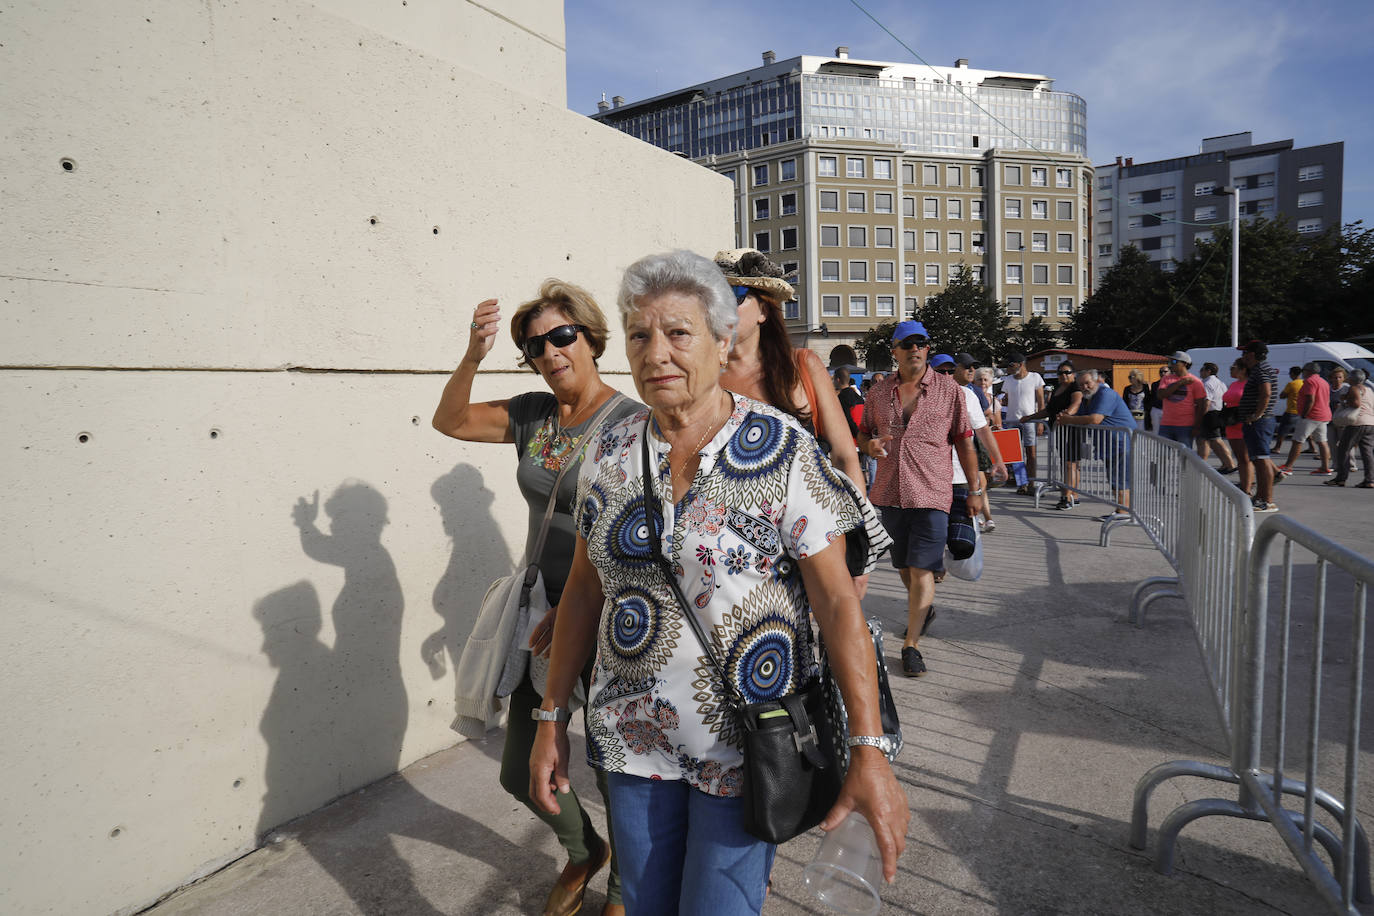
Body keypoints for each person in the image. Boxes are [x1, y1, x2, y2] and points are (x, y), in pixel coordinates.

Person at [527, 250, 909, 915]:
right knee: (644, 906)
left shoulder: (782, 449)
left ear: (722, 341)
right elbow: (585, 591)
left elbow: (839, 606)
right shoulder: (610, 454)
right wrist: (551, 719)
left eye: (678, 333)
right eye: (641, 335)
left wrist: (869, 752)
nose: (657, 353)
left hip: (745, 744)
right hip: (630, 737)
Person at [432, 281, 641, 916]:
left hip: (607, 617)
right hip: (539, 616)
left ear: (590, 337)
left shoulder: (633, 423)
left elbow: (644, 535)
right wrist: (472, 353)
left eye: (561, 336)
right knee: (522, 769)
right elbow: (451, 420)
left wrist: (587, 602)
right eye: (533, 346)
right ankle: (585, 851)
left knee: (614, 769)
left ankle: (625, 890)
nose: (548, 352)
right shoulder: (532, 415)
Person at [858, 322, 981, 677]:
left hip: (933, 492)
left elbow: (963, 441)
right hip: (889, 491)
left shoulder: (950, 391)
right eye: (907, 344)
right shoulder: (878, 393)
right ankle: (922, 609)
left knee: (923, 567)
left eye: (921, 343)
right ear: (894, 350)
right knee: (904, 567)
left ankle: (911, 645)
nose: (915, 349)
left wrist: (974, 490)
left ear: (928, 348)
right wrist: (869, 445)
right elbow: (863, 431)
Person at [714, 249, 863, 490]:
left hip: (809, 519)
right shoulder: (700, 378)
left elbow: (845, 457)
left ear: (764, 311)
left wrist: (859, 523)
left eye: (734, 295)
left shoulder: (803, 365)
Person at [1057, 369, 1135, 521]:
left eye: (1088, 383)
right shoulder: (1089, 399)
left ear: (1097, 381)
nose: (1085, 387)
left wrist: (1068, 420)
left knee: (1120, 479)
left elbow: (1095, 419)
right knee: (1114, 479)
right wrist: (1065, 416)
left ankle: (1123, 513)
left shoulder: (1106, 394)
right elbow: (1079, 415)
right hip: (1108, 444)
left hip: (1121, 442)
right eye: (1081, 385)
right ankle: (1120, 510)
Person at [952, 352, 1006, 531]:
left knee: (961, 539)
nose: (972, 370)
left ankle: (985, 518)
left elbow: (983, 427)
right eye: (967, 367)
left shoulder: (969, 393)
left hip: (964, 467)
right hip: (935, 473)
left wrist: (999, 460)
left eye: (973, 367)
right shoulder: (925, 393)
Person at [1021, 362, 1083, 510]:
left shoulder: (1075, 387)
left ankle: (1068, 497)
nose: (1063, 375)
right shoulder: (1057, 389)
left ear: (1073, 373)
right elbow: (1049, 410)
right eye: (1060, 373)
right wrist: (1030, 417)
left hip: (1071, 429)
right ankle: (1072, 494)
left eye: (1067, 372)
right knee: (1066, 463)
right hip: (1059, 430)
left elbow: (1076, 403)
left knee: (1071, 464)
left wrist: (1066, 414)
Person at [1238, 339, 1280, 514]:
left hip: (1259, 422)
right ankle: (1261, 497)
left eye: (1244, 353)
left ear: (1252, 354)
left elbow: (1266, 393)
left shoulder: (1261, 369)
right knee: (1259, 460)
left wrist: (1257, 415)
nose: (1242, 357)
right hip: (1258, 422)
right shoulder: (1259, 369)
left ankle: (1267, 501)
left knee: (1261, 461)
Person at [1277, 362, 1333, 478]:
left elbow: (1310, 399)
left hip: (1311, 416)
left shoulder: (1309, 381)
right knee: (1322, 442)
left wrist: (1304, 414)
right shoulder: (1324, 382)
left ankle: (1288, 466)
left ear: (1308, 371)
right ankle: (1325, 467)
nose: (1302, 373)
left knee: (1297, 441)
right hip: (1323, 415)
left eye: (1304, 371)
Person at [998, 352, 1045, 492]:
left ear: (1021, 364)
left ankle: (1031, 483)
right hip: (1012, 420)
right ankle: (1022, 483)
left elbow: (1041, 401)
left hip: (1030, 420)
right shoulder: (1008, 380)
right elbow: (1006, 399)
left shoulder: (1035, 377)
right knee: (1015, 455)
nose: (1009, 368)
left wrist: (1041, 421)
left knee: (1031, 452)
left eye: (1011, 365)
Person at [1325, 369, 1374, 488]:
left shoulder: (1354, 388)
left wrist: (1345, 402)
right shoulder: (1369, 390)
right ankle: (1370, 480)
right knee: (1367, 452)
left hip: (1356, 423)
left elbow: (1356, 404)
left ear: (1352, 379)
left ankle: (1341, 478)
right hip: (1370, 423)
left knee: (1343, 449)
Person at [1155, 351, 1207, 448]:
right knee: (1162, 455)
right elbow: (1161, 395)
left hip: (1185, 425)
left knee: (1184, 456)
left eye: (1174, 362)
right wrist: (1180, 383)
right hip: (1166, 424)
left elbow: (1201, 406)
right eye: (1170, 361)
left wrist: (1197, 426)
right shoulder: (1166, 379)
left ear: (1185, 364)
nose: (1170, 364)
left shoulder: (1196, 382)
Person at [1197, 362, 1238, 472]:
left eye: (1202, 369)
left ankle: (1230, 464)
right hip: (1218, 412)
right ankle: (1225, 464)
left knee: (1214, 440)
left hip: (1209, 414)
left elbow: (1207, 402)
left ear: (1208, 371)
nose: (1200, 371)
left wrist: (1200, 416)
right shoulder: (1220, 382)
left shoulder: (1206, 383)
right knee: (1208, 440)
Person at [1223, 360, 1252, 495]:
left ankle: (1247, 487)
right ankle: (1244, 483)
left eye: (1233, 367)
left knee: (1245, 457)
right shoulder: (1234, 384)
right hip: (1231, 421)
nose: (1230, 370)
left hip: (1242, 421)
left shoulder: (1249, 384)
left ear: (1243, 370)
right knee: (1239, 457)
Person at [1273, 366, 1304, 452]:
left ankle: (1277, 448)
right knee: (1305, 431)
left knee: (1282, 431)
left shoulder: (1291, 384)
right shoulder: (1303, 383)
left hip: (1291, 411)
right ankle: (1312, 447)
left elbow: (1282, 396)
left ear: (1293, 374)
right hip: (1301, 411)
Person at [1147, 367, 1167, 432]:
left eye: (1165, 371)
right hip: (1156, 409)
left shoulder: (1172, 384)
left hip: (1167, 410)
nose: (1162, 373)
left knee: (1166, 431)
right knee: (1156, 431)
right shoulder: (1155, 384)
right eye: (1161, 372)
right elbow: (1152, 397)